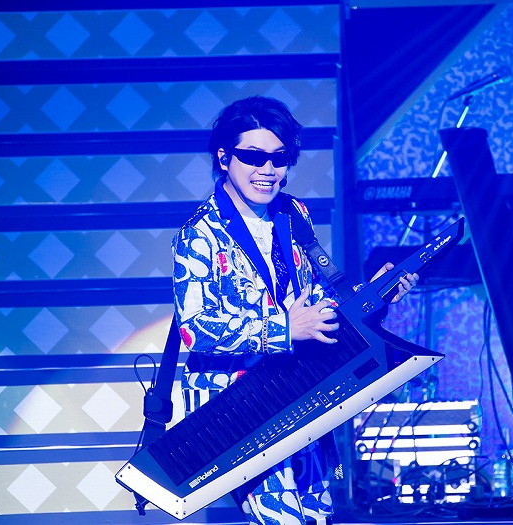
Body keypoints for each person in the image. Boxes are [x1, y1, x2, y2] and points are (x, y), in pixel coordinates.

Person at [172, 96, 416, 525]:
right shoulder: (199, 234)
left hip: (297, 391)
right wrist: (282, 329)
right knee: (281, 519)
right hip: (236, 404)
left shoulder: (294, 213)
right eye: (254, 157)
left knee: (316, 517)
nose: (268, 169)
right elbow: (195, 329)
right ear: (224, 158)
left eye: (279, 158)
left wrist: (374, 297)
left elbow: (318, 302)